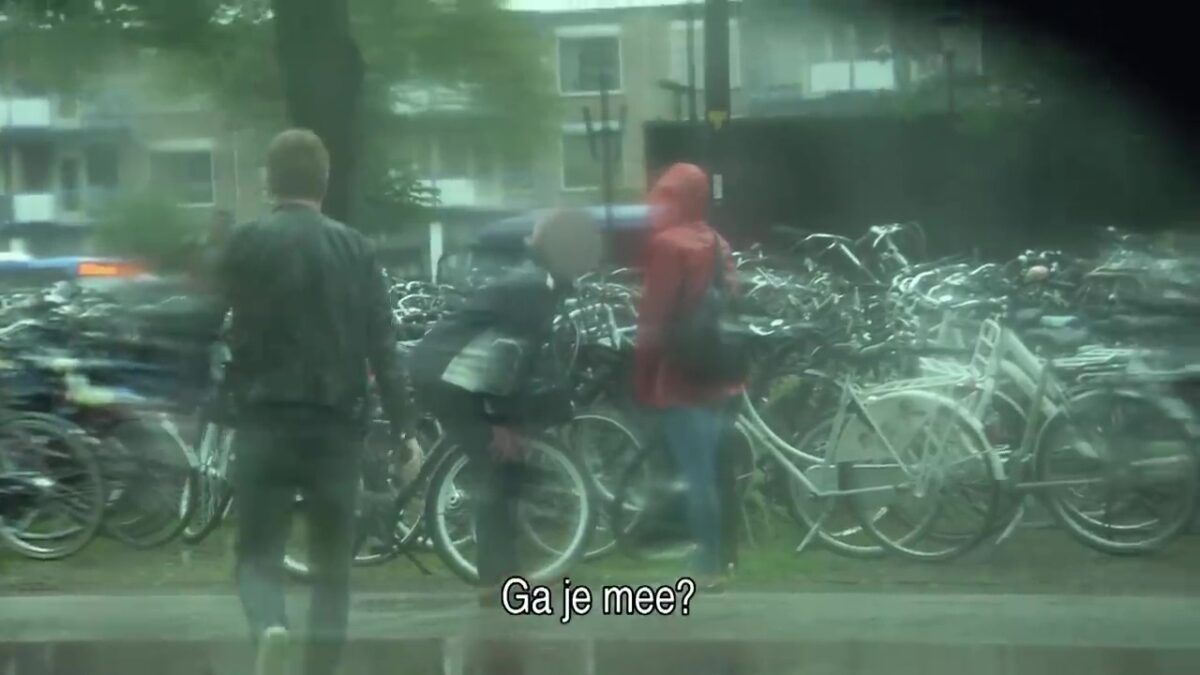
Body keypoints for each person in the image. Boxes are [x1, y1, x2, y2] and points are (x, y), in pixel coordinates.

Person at [216, 128, 412, 675]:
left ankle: (270, 626)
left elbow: (216, 326)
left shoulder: (245, 244)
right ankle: (320, 667)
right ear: (324, 182)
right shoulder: (355, 248)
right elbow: (383, 344)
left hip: (264, 420)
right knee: (332, 566)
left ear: (269, 181)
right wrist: (404, 427)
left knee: (257, 551)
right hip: (335, 426)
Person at [408, 209, 601, 604]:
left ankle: (509, 574)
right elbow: (511, 358)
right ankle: (494, 582)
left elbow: (519, 360)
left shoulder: (540, 281)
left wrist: (514, 418)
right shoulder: (534, 288)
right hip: (448, 377)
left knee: (507, 470)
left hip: (460, 374)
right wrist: (500, 420)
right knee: (494, 470)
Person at [633, 162, 744, 590]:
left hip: (681, 376)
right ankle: (722, 558)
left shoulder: (667, 245)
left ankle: (708, 565)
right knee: (716, 474)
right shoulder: (717, 241)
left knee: (696, 476)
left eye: (665, 196)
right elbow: (730, 300)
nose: (656, 204)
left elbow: (654, 318)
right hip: (721, 373)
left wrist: (643, 375)